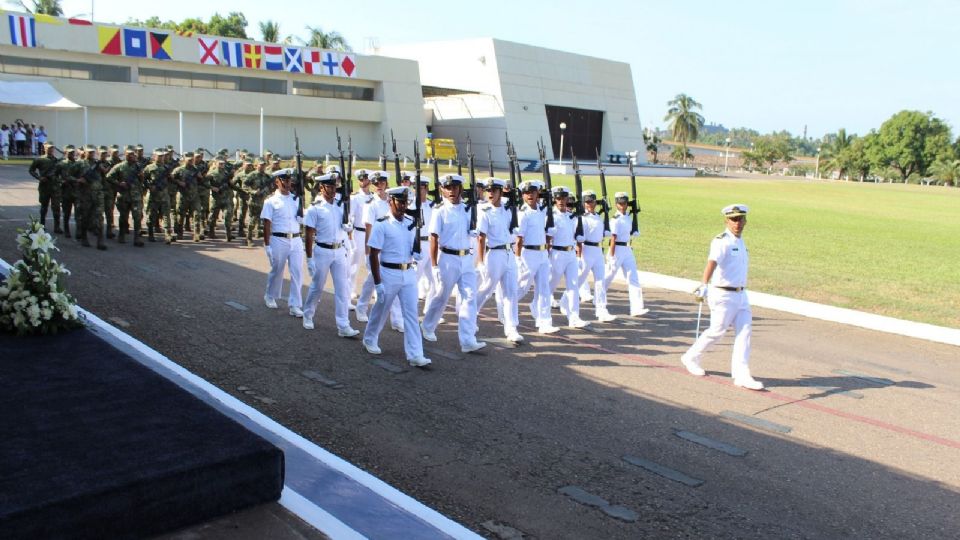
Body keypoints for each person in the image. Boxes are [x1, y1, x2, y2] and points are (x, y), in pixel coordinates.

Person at [681, 204, 763, 390]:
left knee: (745, 333)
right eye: (733, 219)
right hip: (723, 294)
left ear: (745, 221)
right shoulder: (721, 241)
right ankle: (691, 356)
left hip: (741, 294)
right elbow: (711, 263)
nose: (737, 223)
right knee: (717, 331)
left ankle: (741, 374)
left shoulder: (740, 242)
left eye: (740, 219)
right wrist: (704, 284)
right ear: (726, 221)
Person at [362, 186, 431, 367]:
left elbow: (411, 246)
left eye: (405, 202)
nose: (402, 206)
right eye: (399, 202)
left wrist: (416, 253)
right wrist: (377, 283)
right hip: (388, 272)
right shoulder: (381, 224)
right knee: (381, 309)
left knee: (411, 314)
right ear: (390, 201)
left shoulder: (410, 224)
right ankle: (370, 338)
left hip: (408, 272)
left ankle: (415, 353)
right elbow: (373, 254)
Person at [420, 173, 486, 353]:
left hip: (466, 259)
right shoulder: (439, 211)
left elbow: (477, 233)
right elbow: (433, 238)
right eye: (448, 188)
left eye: (455, 188)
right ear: (442, 189)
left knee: (470, 298)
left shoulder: (469, 209)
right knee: (442, 296)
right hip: (447, 259)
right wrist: (434, 266)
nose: (451, 191)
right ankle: (427, 326)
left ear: (461, 190)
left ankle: (467, 339)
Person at [302, 172, 359, 336]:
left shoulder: (340, 206)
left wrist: (349, 227)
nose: (333, 190)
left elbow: (345, 225)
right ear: (321, 188)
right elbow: (309, 234)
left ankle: (343, 325)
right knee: (317, 287)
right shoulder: (315, 209)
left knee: (342, 289)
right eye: (329, 186)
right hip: (322, 250)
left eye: (335, 186)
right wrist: (309, 258)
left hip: (340, 251)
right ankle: (308, 314)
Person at [475, 178, 523, 343]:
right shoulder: (484, 211)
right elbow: (481, 238)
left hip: (509, 253)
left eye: (493, 191)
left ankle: (511, 329)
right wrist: (480, 261)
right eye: (488, 191)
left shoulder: (508, 210)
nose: (490, 194)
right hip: (494, 254)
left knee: (511, 292)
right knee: (486, 289)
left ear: (500, 192)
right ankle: (468, 315)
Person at [515, 180, 558, 334]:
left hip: (542, 253)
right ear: (522, 195)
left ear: (537, 193)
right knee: (522, 287)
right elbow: (518, 239)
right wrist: (518, 259)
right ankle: (506, 309)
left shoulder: (542, 210)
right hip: (529, 253)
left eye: (533, 192)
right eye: (527, 193)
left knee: (544, 289)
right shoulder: (523, 213)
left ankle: (544, 322)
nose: (530, 195)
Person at [261, 168, 304, 317]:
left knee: (297, 272)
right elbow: (267, 224)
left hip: (297, 239)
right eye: (284, 180)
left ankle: (295, 304)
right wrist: (267, 245)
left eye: (289, 180)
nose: (287, 183)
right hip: (279, 239)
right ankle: (270, 295)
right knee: (277, 270)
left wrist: (302, 219)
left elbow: (301, 218)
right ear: (277, 182)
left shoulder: (297, 199)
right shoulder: (271, 201)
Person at [601, 192, 649, 317]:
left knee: (633, 278)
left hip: (627, 249)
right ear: (616, 204)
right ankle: (598, 300)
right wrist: (611, 256)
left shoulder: (628, 217)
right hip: (616, 249)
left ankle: (637, 308)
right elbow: (613, 239)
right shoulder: (615, 220)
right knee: (607, 278)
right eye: (620, 204)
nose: (623, 206)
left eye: (625, 204)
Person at [548, 186, 590, 328]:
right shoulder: (551, 215)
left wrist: (578, 254)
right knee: (550, 286)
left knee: (573, 285)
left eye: (563, 198)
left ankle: (574, 317)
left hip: (571, 253)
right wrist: (547, 257)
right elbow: (547, 238)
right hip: (557, 253)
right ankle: (537, 307)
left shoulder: (570, 216)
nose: (561, 201)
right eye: (558, 198)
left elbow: (577, 235)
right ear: (554, 199)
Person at [576, 190, 617, 322]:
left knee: (600, 282)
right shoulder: (581, 218)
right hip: (586, 250)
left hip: (598, 250)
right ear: (583, 203)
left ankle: (601, 310)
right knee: (578, 280)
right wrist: (579, 257)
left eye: (592, 201)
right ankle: (566, 302)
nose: (590, 204)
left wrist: (605, 212)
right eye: (587, 202)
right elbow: (578, 239)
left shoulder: (598, 217)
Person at [29, 142, 62, 233]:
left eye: (52, 148)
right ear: (45, 148)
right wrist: (39, 177)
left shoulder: (57, 160)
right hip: (44, 186)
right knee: (44, 207)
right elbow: (31, 170)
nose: (51, 150)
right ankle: (42, 225)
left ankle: (57, 227)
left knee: (56, 207)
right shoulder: (39, 160)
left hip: (55, 187)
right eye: (49, 148)